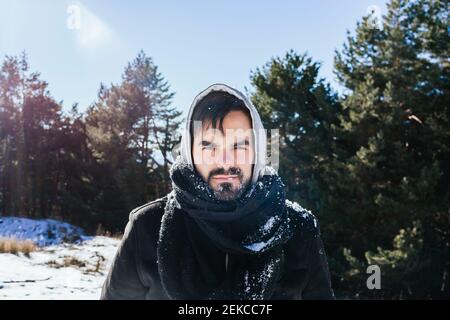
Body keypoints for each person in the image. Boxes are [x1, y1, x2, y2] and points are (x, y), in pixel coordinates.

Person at [100, 83, 334, 300]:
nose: (225, 160)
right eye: (209, 145)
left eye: (240, 144)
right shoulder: (148, 227)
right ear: (189, 151)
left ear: (257, 151)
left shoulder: (298, 229)